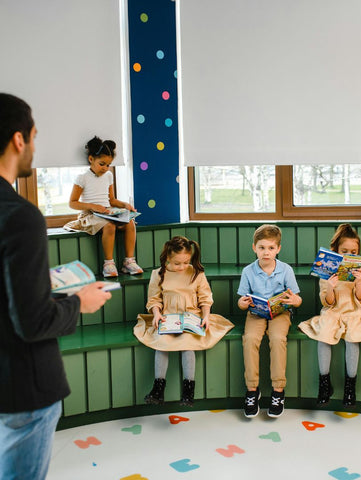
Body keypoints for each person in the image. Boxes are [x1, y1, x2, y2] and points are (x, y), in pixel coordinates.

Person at [0, 93, 111, 479]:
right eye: (34, 136)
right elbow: (31, 321)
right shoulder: (19, 216)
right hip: (20, 388)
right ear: (19, 140)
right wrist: (79, 301)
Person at [299, 224, 361, 408]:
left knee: (353, 337)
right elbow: (327, 303)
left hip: (354, 311)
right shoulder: (327, 268)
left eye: (354, 251)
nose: (349, 255)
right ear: (336, 250)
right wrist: (330, 286)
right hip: (333, 312)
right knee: (324, 335)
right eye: (344, 251)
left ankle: (350, 387)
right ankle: (324, 384)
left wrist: (359, 282)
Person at [134, 236, 233, 406]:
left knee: (187, 345)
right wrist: (156, 314)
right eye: (177, 263)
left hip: (192, 317)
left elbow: (205, 298)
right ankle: (158, 388)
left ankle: (188, 390)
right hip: (167, 317)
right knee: (161, 344)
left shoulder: (196, 273)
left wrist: (206, 316)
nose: (182, 267)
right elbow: (154, 299)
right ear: (167, 258)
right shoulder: (158, 274)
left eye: (186, 262)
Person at [237, 224, 302, 418]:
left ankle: (278, 391)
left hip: (280, 313)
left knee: (277, 339)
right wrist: (242, 303)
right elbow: (241, 302)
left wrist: (294, 301)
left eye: (271, 248)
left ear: (278, 249)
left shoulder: (285, 270)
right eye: (262, 248)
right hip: (256, 313)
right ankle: (251, 389)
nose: (266, 252)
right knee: (249, 339)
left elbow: (297, 299)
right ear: (254, 248)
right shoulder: (248, 271)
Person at [64, 136, 143, 278]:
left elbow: (111, 200)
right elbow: (73, 203)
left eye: (108, 165)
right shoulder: (82, 178)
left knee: (130, 223)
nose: (105, 168)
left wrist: (125, 205)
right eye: (102, 164)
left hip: (107, 213)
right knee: (109, 226)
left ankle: (129, 261)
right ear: (91, 159)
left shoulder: (108, 176)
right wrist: (93, 206)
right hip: (90, 215)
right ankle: (108, 263)